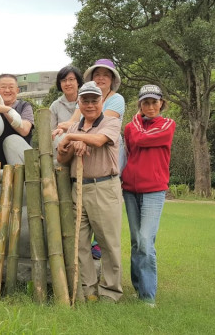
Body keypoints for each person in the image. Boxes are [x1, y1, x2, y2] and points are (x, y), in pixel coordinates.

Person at [56, 81, 123, 303]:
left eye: (95, 100)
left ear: (102, 102)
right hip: (79, 187)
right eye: (86, 100)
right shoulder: (75, 127)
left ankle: (110, 292)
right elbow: (62, 159)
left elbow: (98, 140)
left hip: (104, 187)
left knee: (107, 242)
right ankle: (88, 290)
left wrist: (73, 138)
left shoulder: (111, 122)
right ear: (80, 103)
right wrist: (69, 146)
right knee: (80, 243)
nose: (91, 104)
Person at [121, 84, 175, 307]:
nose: (151, 106)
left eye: (154, 102)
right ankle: (138, 287)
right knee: (135, 241)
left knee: (145, 240)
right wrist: (134, 125)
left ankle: (148, 297)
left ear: (161, 103)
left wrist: (136, 125)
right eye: (146, 102)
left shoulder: (167, 125)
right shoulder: (129, 127)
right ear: (140, 104)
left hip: (154, 189)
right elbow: (129, 148)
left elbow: (142, 139)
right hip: (130, 189)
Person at [50, 65, 84, 132]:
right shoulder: (55, 106)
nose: (67, 83)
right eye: (64, 80)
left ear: (78, 82)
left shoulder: (87, 101)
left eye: (71, 79)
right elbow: (51, 132)